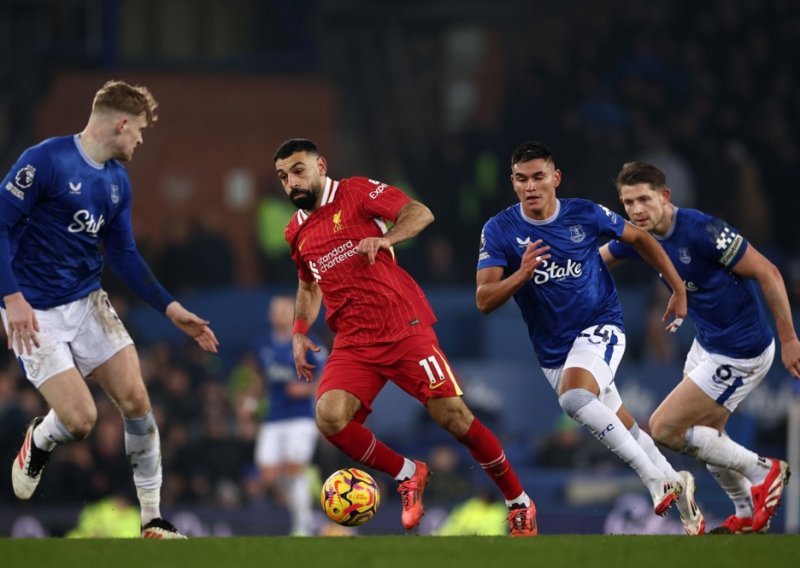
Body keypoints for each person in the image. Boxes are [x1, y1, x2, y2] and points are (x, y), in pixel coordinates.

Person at [274, 138, 537, 536]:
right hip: (352, 341)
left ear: (320, 166)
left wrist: (387, 238)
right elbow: (309, 285)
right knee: (329, 418)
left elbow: (420, 213)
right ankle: (408, 473)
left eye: (297, 170)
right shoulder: (295, 231)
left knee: (454, 418)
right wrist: (298, 331)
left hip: (401, 326)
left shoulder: (356, 191)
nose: (291, 182)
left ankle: (519, 502)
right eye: (283, 177)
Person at [0, 80, 219, 539]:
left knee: (137, 400)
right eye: (138, 130)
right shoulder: (45, 161)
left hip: (87, 302)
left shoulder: (117, 182)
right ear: (120, 123)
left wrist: (170, 307)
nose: (141, 139)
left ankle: (152, 519)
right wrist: (12, 298)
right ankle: (38, 440)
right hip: (34, 312)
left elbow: (123, 255)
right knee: (80, 422)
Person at [475, 141, 704, 535]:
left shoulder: (583, 212)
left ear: (555, 178)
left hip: (601, 326)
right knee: (625, 425)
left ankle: (655, 479)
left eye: (539, 177)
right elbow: (483, 300)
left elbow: (641, 239)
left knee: (575, 398)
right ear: (513, 183)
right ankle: (683, 497)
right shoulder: (499, 230)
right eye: (522, 179)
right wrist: (521, 274)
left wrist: (677, 287)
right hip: (554, 352)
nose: (531, 186)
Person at [599, 161, 798, 534]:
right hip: (707, 343)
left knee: (664, 429)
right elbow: (597, 261)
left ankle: (763, 471)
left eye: (644, 199)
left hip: (741, 351)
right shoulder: (638, 235)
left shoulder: (703, 230)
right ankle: (743, 510)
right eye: (628, 202)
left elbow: (768, 272)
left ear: (665, 196)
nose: (637, 210)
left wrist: (789, 339)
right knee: (706, 438)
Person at [253, 295, 328, 536]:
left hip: (300, 418)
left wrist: (305, 389)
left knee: (293, 468)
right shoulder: (262, 345)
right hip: (274, 417)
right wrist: (251, 401)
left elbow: (326, 380)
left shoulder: (309, 343)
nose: (281, 316)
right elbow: (260, 378)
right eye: (276, 312)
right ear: (270, 316)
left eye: (286, 312)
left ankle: (301, 526)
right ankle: (309, 482)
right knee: (267, 473)